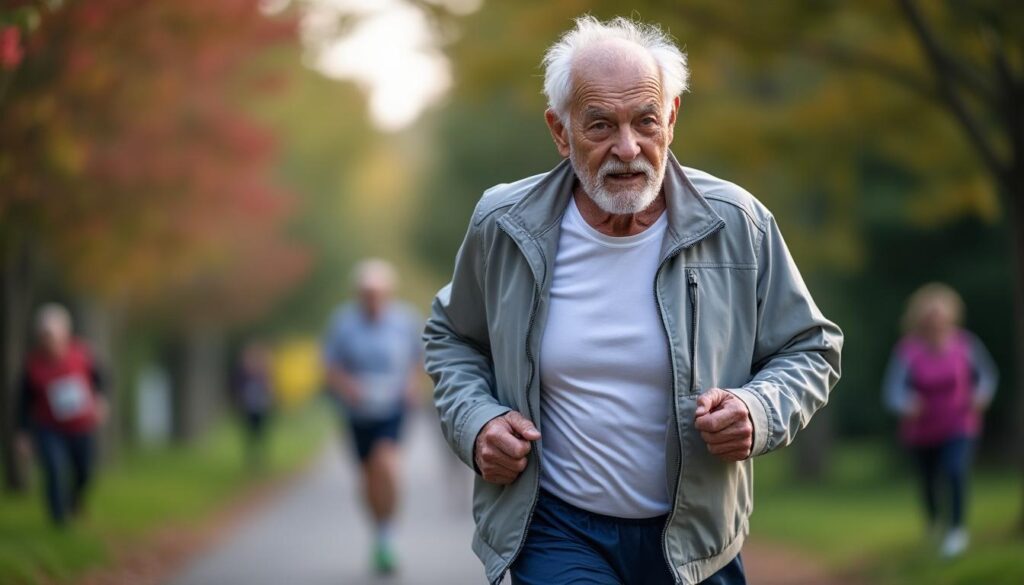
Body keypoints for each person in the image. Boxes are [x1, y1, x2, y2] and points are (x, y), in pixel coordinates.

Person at [423, 16, 843, 585]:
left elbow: (810, 347)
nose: (628, 148)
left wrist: (759, 410)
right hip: (553, 528)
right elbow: (453, 338)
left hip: (696, 538)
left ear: (671, 118)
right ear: (560, 130)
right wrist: (477, 423)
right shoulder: (504, 225)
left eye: (645, 121)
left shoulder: (738, 224)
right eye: (600, 125)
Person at [322, 259, 423, 575]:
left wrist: (410, 384)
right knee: (367, 476)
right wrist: (347, 385)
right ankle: (379, 533)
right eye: (367, 292)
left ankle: (388, 533)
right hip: (357, 411)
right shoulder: (343, 323)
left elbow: (418, 359)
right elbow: (330, 367)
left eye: (378, 292)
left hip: (392, 408)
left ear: (388, 293)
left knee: (387, 464)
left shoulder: (405, 320)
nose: (372, 298)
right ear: (358, 293)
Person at [882, 283, 997, 558]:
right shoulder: (908, 351)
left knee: (955, 470)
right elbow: (893, 391)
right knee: (928, 482)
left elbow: (987, 377)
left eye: (941, 316)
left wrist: (981, 396)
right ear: (920, 319)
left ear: (951, 317)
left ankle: (957, 531)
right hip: (921, 430)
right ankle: (934, 521)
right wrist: (907, 403)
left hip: (960, 424)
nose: (936, 322)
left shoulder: (966, 345)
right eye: (930, 317)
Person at [17, 303, 107, 526]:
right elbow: (23, 401)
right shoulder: (33, 365)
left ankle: (75, 500)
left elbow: (101, 380)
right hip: (49, 427)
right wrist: (24, 434)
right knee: (55, 469)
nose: (49, 341)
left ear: (65, 334)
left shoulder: (83, 355)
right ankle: (59, 520)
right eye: (45, 336)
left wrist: (101, 401)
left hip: (81, 425)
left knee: (84, 472)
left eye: (53, 335)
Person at [231, 341, 275, 471]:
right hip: (248, 407)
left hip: (262, 407)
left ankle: (261, 458)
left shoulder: (264, 372)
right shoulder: (242, 373)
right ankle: (251, 458)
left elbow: (269, 388)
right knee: (250, 434)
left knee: (261, 433)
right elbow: (236, 387)